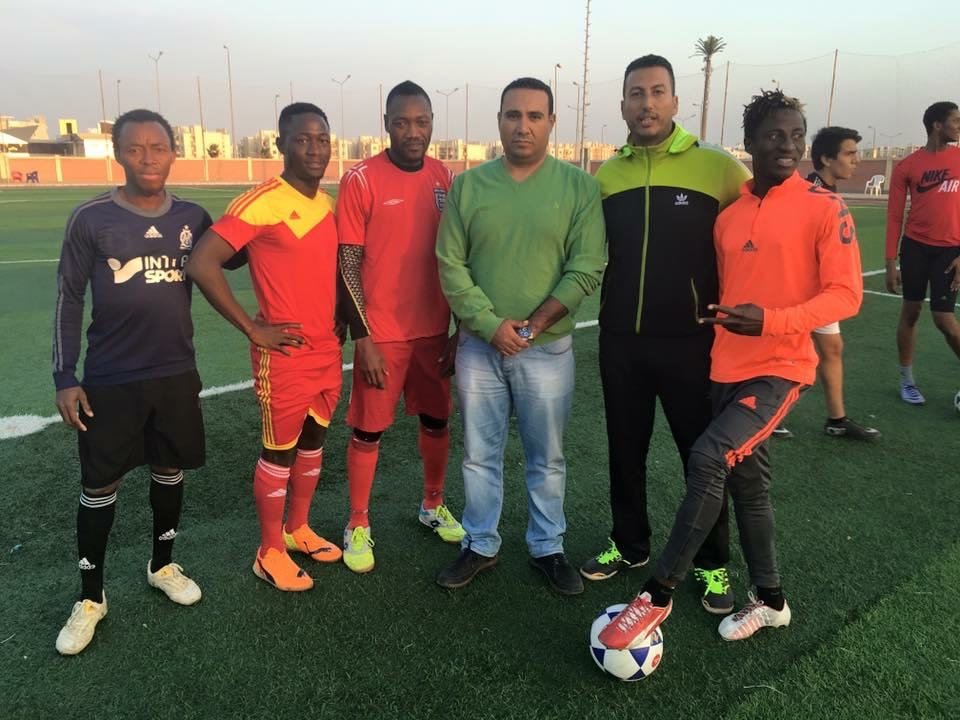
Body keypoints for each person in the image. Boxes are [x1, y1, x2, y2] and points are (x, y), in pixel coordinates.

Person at [599, 89, 863, 648]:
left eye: (796, 135)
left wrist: (770, 321)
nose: (787, 145)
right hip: (722, 368)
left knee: (707, 456)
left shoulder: (824, 207)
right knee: (749, 486)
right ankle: (771, 600)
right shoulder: (731, 215)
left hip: (780, 368)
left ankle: (658, 592)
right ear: (750, 143)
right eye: (774, 135)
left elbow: (846, 296)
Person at [583, 54, 749, 616]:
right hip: (621, 341)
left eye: (657, 92)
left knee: (702, 458)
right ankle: (629, 544)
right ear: (623, 105)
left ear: (676, 102)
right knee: (624, 449)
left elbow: (754, 237)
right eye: (636, 93)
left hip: (692, 343)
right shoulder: (608, 176)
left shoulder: (718, 168)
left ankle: (712, 563)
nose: (647, 103)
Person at [435, 77, 606, 595]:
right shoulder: (468, 186)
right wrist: (491, 326)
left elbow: (586, 266)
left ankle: (547, 546)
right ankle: (480, 543)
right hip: (479, 348)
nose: (523, 126)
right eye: (513, 115)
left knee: (546, 458)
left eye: (534, 116)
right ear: (500, 121)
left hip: (546, 350)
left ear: (551, 122)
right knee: (478, 455)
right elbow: (450, 264)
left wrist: (531, 327)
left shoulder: (579, 187)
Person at [53, 109, 210, 655]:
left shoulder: (193, 217)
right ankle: (90, 597)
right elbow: (69, 297)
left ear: (173, 153)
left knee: (169, 469)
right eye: (136, 148)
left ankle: (162, 565)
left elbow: (232, 258)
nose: (148, 158)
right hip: (111, 378)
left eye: (158, 147)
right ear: (119, 154)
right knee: (100, 485)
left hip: (175, 373)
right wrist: (64, 375)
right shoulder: (90, 218)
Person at [185, 102, 343, 592]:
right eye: (302, 139)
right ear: (281, 145)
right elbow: (202, 263)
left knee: (314, 444)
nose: (314, 149)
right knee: (279, 453)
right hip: (285, 354)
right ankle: (269, 550)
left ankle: (298, 529)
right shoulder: (260, 202)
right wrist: (254, 331)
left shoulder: (327, 204)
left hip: (327, 350)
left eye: (322, 139)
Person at [336, 80, 464, 574]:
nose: (413, 131)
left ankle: (433, 504)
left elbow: (458, 257)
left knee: (437, 420)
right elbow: (348, 263)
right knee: (368, 430)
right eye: (402, 122)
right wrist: (363, 338)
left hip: (433, 330)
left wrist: (458, 329)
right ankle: (358, 521)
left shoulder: (444, 177)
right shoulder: (361, 179)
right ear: (386, 124)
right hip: (382, 334)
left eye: (422, 122)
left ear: (432, 124)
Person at [774, 127, 880, 440]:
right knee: (792, 354)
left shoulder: (827, 194)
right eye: (849, 154)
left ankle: (836, 419)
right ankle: (770, 413)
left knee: (832, 348)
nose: (856, 161)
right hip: (802, 291)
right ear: (825, 158)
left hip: (824, 291)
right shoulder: (805, 194)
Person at [885, 101, 960, 405]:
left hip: (950, 250)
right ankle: (907, 381)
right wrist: (890, 262)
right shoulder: (908, 166)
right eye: (955, 121)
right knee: (911, 312)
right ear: (937, 125)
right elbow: (894, 216)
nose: (959, 126)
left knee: (944, 319)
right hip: (915, 247)